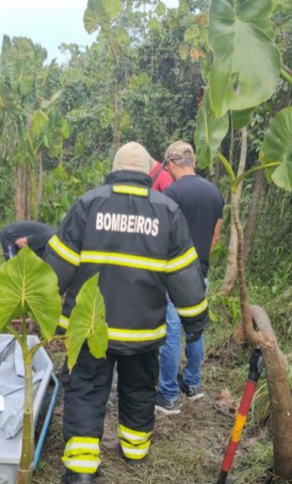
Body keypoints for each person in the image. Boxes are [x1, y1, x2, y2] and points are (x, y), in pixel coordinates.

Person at [45, 142, 210, 483]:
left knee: (87, 388)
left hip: (90, 327)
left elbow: (55, 269)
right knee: (138, 387)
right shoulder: (167, 211)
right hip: (142, 329)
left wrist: (42, 309)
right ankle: (134, 450)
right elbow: (184, 276)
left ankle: (80, 470)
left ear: (115, 168)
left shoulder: (89, 204)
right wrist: (195, 321)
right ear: (148, 172)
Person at [155, 141, 224, 415]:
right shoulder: (215, 193)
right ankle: (193, 384)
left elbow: (164, 237)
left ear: (171, 163)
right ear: (192, 162)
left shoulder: (171, 193)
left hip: (174, 274)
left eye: (167, 167)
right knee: (195, 328)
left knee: (171, 331)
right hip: (200, 272)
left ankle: (169, 394)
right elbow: (215, 238)